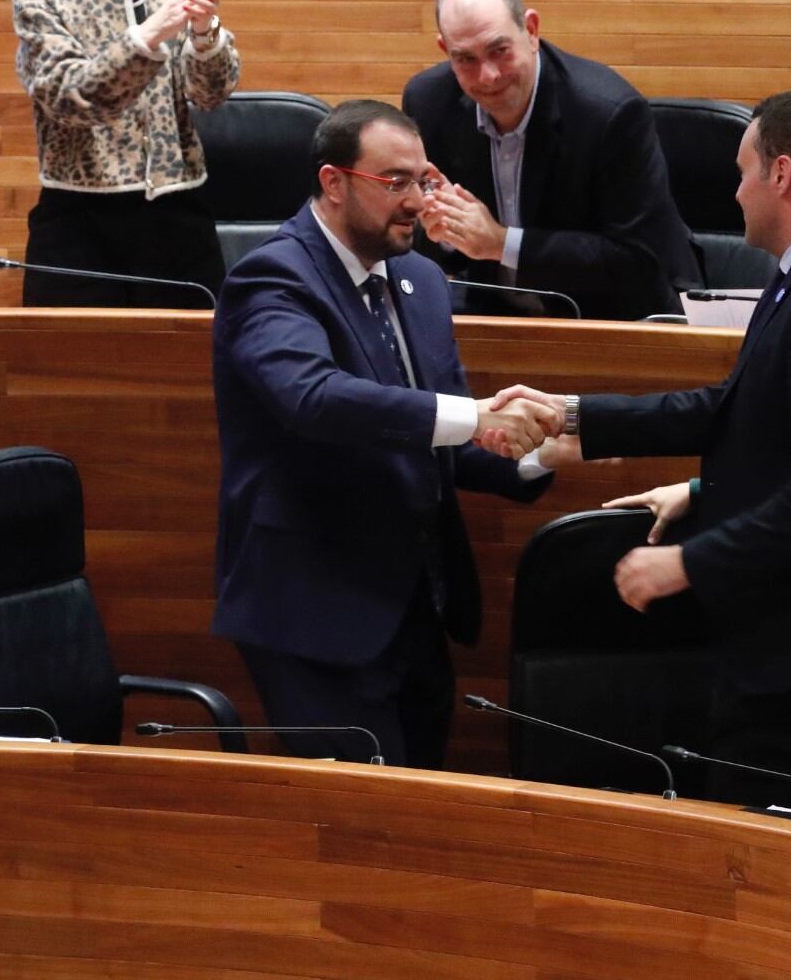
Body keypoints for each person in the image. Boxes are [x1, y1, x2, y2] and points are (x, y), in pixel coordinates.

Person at [496, 90, 791, 809]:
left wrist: (686, 562)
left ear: (783, 174)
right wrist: (574, 414)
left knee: (784, 874)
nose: (733, 192)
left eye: (743, 171)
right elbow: (730, 409)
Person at [210, 99, 568, 767]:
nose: (415, 200)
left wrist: (538, 449)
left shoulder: (421, 280)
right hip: (314, 609)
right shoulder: (272, 278)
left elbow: (443, 426)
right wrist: (475, 416)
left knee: (420, 798)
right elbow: (312, 399)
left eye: (423, 180)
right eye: (394, 182)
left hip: (414, 606)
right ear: (334, 182)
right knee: (360, 828)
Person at [12, 0, 238, 308]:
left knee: (194, 369)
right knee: (74, 372)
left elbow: (212, 95)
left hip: (178, 216)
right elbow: (73, 98)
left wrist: (204, 33)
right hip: (81, 220)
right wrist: (150, 33)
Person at [402, 0, 698, 321]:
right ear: (444, 50)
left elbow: (636, 260)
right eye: (466, 59)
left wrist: (500, 243)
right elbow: (440, 253)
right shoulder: (429, 101)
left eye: (499, 50)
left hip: (612, 318)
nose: (489, 76)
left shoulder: (608, 113)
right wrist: (447, 229)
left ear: (531, 30)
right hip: (497, 317)